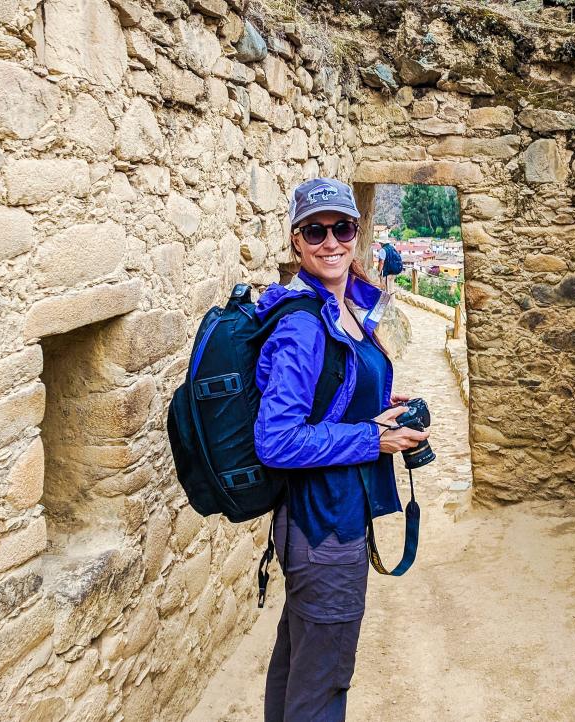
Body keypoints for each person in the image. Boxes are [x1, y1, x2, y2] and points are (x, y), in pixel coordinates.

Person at [253, 178, 429, 721]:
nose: (331, 242)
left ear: (357, 232)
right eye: (315, 231)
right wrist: (372, 438)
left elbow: (331, 391)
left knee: (300, 660)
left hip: (328, 516)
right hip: (322, 525)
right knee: (324, 679)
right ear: (296, 242)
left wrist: (376, 402)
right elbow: (276, 439)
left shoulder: (344, 306)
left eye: (342, 228)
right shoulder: (304, 324)